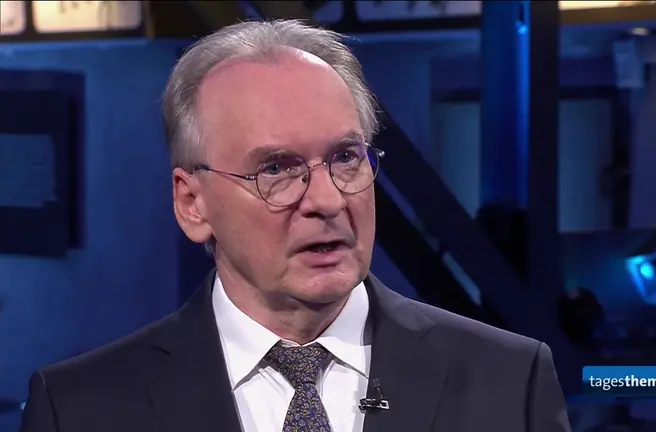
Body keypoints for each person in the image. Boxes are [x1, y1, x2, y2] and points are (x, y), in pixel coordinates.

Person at [19, 20, 571, 432]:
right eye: (276, 169)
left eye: (346, 158)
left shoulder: (510, 382)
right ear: (192, 204)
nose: (327, 200)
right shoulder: (79, 410)